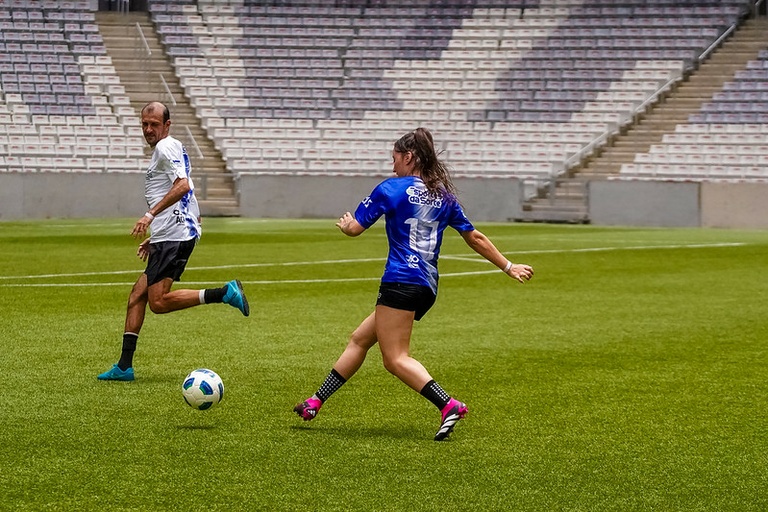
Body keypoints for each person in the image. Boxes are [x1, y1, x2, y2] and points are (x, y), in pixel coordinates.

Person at [293, 128, 533, 441]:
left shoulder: (391, 189)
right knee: (360, 339)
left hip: (400, 281)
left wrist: (346, 225)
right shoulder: (443, 196)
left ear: (409, 157)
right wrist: (508, 266)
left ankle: (448, 405)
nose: (392, 165)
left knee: (395, 359)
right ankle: (315, 402)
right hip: (426, 286)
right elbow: (475, 237)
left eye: (395, 158)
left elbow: (355, 229)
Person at [98, 101, 249, 382]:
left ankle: (223, 293)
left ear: (167, 125)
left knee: (158, 302)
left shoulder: (165, 147)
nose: (148, 129)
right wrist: (157, 235)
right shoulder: (172, 147)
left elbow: (183, 186)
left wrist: (149, 216)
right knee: (137, 295)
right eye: (145, 124)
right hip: (169, 233)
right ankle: (124, 366)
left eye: (154, 124)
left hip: (174, 235)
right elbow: (185, 191)